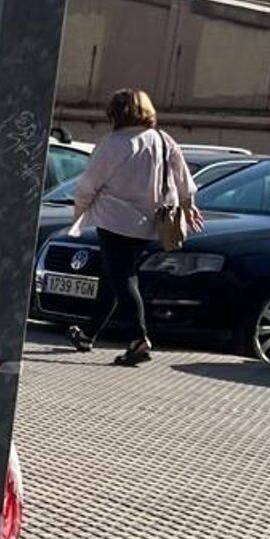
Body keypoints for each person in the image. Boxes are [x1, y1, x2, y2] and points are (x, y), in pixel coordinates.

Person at [64, 86, 199, 367]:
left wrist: (79, 213)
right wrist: (188, 206)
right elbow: (183, 179)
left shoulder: (112, 144)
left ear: (114, 113)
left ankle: (138, 339)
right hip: (151, 223)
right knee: (112, 276)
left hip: (115, 220)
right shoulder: (163, 139)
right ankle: (89, 334)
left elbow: (88, 185)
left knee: (123, 278)